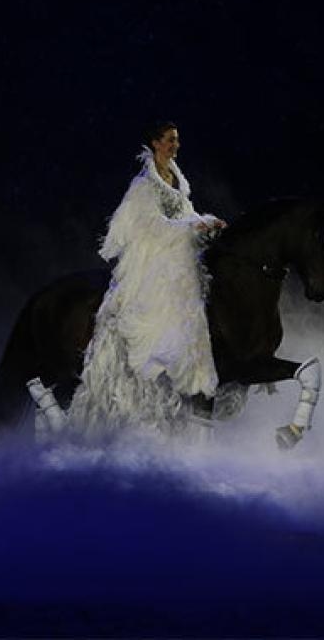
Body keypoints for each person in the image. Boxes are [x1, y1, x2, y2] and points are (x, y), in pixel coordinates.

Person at [66, 121, 227, 436]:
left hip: (178, 257)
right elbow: (153, 226)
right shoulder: (143, 185)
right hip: (155, 258)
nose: (174, 146)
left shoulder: (175, 180)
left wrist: (206, 222)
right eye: (169, 141)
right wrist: (188, 229)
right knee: (153, 317)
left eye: (177, 140)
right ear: (155, 143)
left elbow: (186, 214)